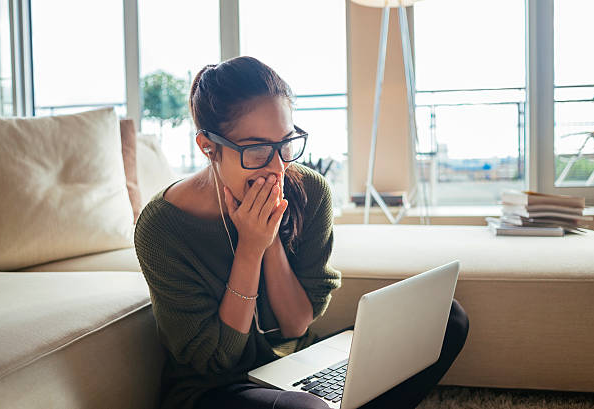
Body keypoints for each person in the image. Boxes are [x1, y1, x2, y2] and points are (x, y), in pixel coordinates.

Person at [134, 56, 469, 409]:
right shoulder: (162, 227)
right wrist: (249, 249)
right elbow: (217, 361)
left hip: (296, 365)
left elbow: (295, 326)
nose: (278, 166)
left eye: (286, 143)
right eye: (258, 149)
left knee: (446, 319)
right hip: (216, 389)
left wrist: (270, 238)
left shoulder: (310, 191)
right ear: (208, 146)